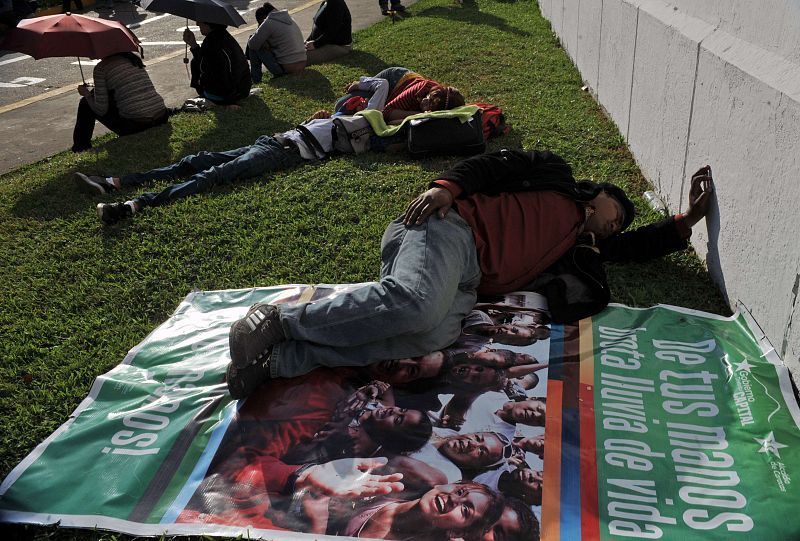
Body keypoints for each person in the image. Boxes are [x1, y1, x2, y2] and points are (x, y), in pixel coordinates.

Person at [224, 153, 714, 399]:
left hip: (467, 284)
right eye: (616, 210)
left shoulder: (577, 248)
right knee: (416, 304)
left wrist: (687, 222)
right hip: (449, 230)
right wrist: (447, 189)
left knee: (427, 339)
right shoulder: (555, 177)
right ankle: (278, 322)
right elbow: (492, 164)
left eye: (620, 224)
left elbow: (636, 247)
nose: (616, 221)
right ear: (596, 193)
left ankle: (280, 361)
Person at [74, 76, 390, 224]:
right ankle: (115, 182)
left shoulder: (365, 120)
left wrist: (361, 82)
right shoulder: (335, 116)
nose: (357, 103)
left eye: (359, 104)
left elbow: (383, 86)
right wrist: (314, 118)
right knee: (195, 160)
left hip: (284, 152)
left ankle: (133, 205)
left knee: (213, 175)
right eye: (353, 102)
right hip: (271, 140)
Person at [70, 52, 169, 153]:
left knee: (85, 103)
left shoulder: (101, 68)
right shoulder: (133, 60)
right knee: (101, 95)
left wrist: (86, 94)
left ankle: (81, 147)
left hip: (137, 126)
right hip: (161, 116)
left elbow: (101, 110)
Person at [336, 481, 504, 540]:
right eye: (460, 491)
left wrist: (317, 515)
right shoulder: (395, 485)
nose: (454, 499)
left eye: (466, 510)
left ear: (456, 533)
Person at [183, 21, 251, 105]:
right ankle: (205, 93)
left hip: (230, 94)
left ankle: (205, 94)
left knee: (196, 64)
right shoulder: (223, 35)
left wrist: (230, 102)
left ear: (208, 25)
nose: (197, 24)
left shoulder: (212, 43)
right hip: (243, 88)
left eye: (200, 22)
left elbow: (218, 73)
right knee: (195, 61)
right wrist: (193, 45)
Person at [247, 3, 306, 81]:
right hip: (302, 63)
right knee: (258, 41)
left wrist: (264, 41)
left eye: (260, 24)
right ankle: (254, 78)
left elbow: (252, 44)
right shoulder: (289, 18)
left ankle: (255, 79)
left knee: (253, 41)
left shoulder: (268, 22)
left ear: (263, 19)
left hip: (287, 68)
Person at [305, 0, 352, 65]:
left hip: (339, 46)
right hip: (325, 43)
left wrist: (315, 44)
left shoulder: (335, 4)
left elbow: (332, 31)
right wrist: (307, 41)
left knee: (299, 58)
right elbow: (318, 27)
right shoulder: (326, 2)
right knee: (297, 54)